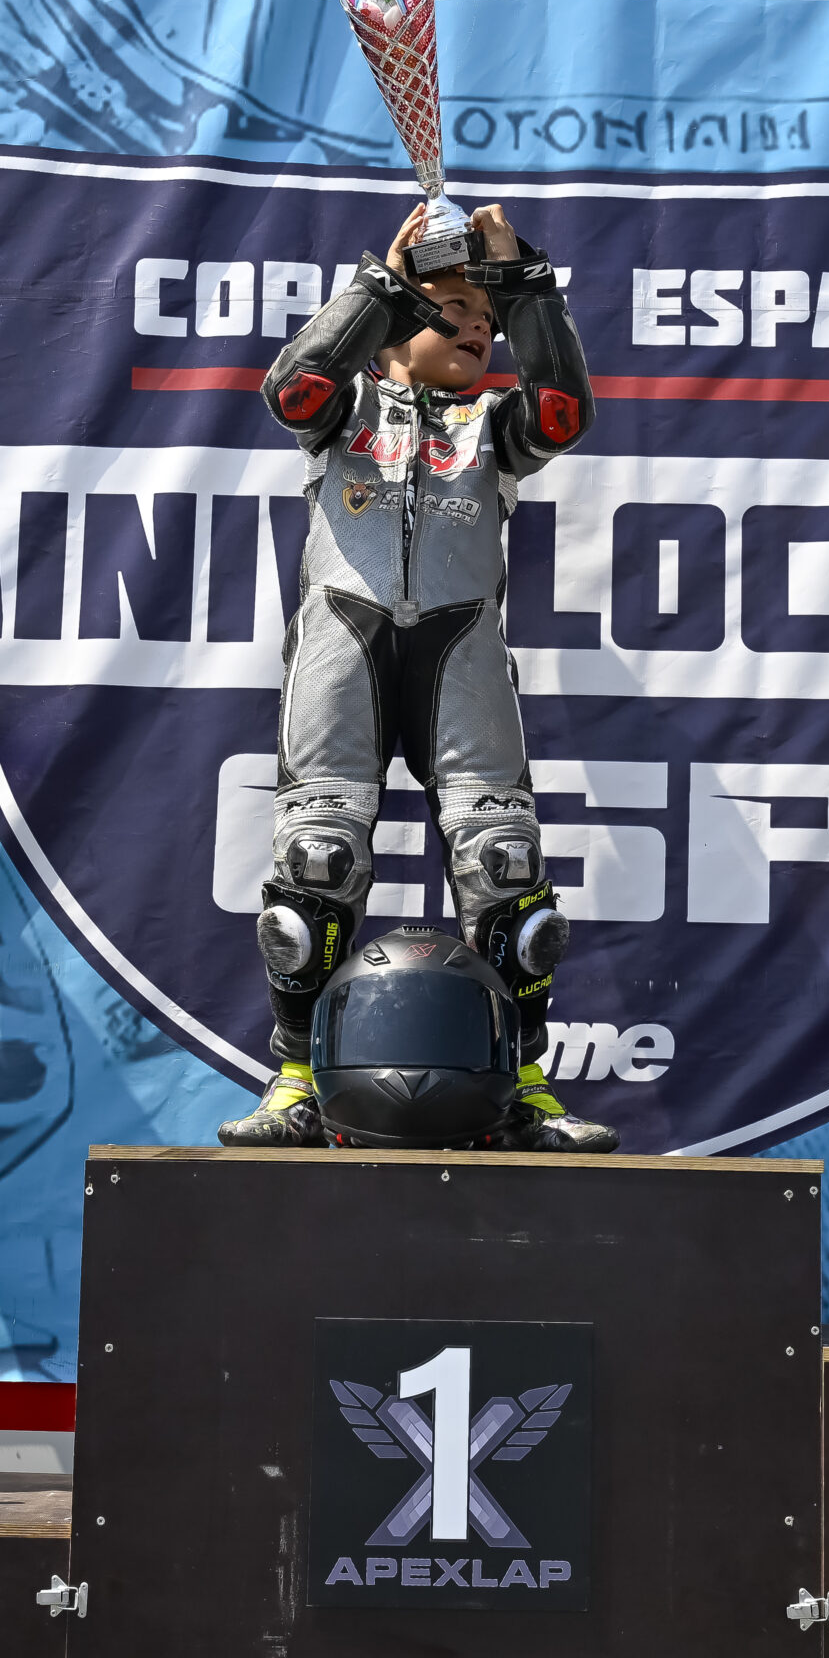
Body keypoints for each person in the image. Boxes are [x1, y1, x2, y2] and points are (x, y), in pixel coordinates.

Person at [223, 200, 614, 1150]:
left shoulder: (494, 425)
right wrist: (380, 286)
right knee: (315, 863)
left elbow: (564, 410)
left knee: (505, 869)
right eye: (454, 310)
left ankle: (523, 1087)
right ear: (399, 321)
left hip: (461, 653)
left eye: (488, 320)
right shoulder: (343, 410)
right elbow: (292, 389)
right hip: (341, 646)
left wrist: (524, 287)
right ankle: (295, 1081)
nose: (477, 329)